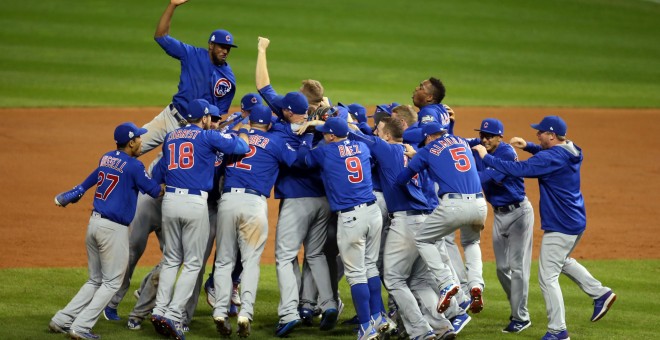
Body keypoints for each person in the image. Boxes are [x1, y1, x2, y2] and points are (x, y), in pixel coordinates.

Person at [472, 116, 616, 340]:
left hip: (561, 224)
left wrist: (485, 156)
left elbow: (517, 169)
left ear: (551, 135)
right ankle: (600, 293)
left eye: (540, 132)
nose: (537, 135)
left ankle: (558, 331)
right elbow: (546, 155)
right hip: (575, 220)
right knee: (561, 261)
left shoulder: (551, 158)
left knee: (547, 277)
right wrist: (529, 146)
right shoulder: (571, 149)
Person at [256, 36, 339, 337]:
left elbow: (263, 87)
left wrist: (262, 50)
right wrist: (322, 116)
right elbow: (336, 118)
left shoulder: (281, 126)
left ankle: (289, 312)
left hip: (297, 200)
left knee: (285, 256)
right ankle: (328, 304)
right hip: (323, 201)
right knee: (316, 255)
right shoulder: (328, 125)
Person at [49, 122, 163, 340]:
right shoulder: (134, 166)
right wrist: (171, 184)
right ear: (130, 142)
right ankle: (81, 326)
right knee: (112, 282)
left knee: (95, 280)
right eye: (138, 138)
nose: (141, 141)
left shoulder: (107, 157)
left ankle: (61, 320)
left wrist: (75, 192)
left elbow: (90, 180)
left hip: (94, 225)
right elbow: (154, 190)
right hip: (113, 230)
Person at [151, 99, 249, 340]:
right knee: (193, 263)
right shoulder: (207, 137)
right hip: (195, 203)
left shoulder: (171, 137)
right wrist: (240, 131)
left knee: (171, 259)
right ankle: (174, 315)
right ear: (205, 118)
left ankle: (159, 310)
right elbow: (240, 147)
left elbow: (159, 171)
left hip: (170, 202)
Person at [350, 117, 455, 340]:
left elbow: (353, 134)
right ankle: (442, 326)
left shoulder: (386, 148)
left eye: (378, 130)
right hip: (429, 220)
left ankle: (420, 330)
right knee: (418, 280)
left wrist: (341, 118)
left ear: (387, 135)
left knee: (394, 279)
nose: (375, 133)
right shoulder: (415, 152)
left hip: (407, 222)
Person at [211, 105, 299, 338]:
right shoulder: (275, 142)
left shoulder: (233, 137)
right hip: (253, 204)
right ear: (269, 124)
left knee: (223, 261)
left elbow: (216, 168)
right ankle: (245, 313)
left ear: (250, 123)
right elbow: (297, 161)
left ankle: (220, 311)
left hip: (228, 201)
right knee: (250, 262)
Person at [300, 117, 387, 340]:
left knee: (356, 274)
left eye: (325, 134)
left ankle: (366, 327)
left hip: (351, 217)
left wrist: (309, 134)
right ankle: (379, 318)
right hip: (373, 212)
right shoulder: (362, 146)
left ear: (330, 136)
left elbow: (302, 159)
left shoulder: (325, 151)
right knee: (370, 267)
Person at [396, 122, 488, 316]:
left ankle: (446, 283)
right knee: (472, 242)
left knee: (423, 239)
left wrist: (416, 159)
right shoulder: (461, 141)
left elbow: (402, 178)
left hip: (453, 206)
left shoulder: (427, 150)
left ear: (428, 137)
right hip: (480, 204)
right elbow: (447, 163)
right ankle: (476, 285)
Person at [140, 0, 238, 154]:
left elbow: (217, 116)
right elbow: (161, 36)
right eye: (221, 47)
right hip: (169, 117)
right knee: (133, 146)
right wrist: (173, 5)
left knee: (166, 171)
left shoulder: (228, 80)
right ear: (211, 45)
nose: (225, 51)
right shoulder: (191, 54)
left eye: (228, 48)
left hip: (191, 131)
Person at [466, 118, 535, 332]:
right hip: (498, 214)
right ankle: (516, 307)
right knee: (501, 268)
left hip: (518, 214)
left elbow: (486, 177)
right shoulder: (478, 146)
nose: (484, 139)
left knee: (518, 269)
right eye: (482, 135)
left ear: (500, 137)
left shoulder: (506, 154)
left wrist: (461, 179)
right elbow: (455, 141)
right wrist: (450, 125)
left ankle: (521, 317)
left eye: (489, 136)